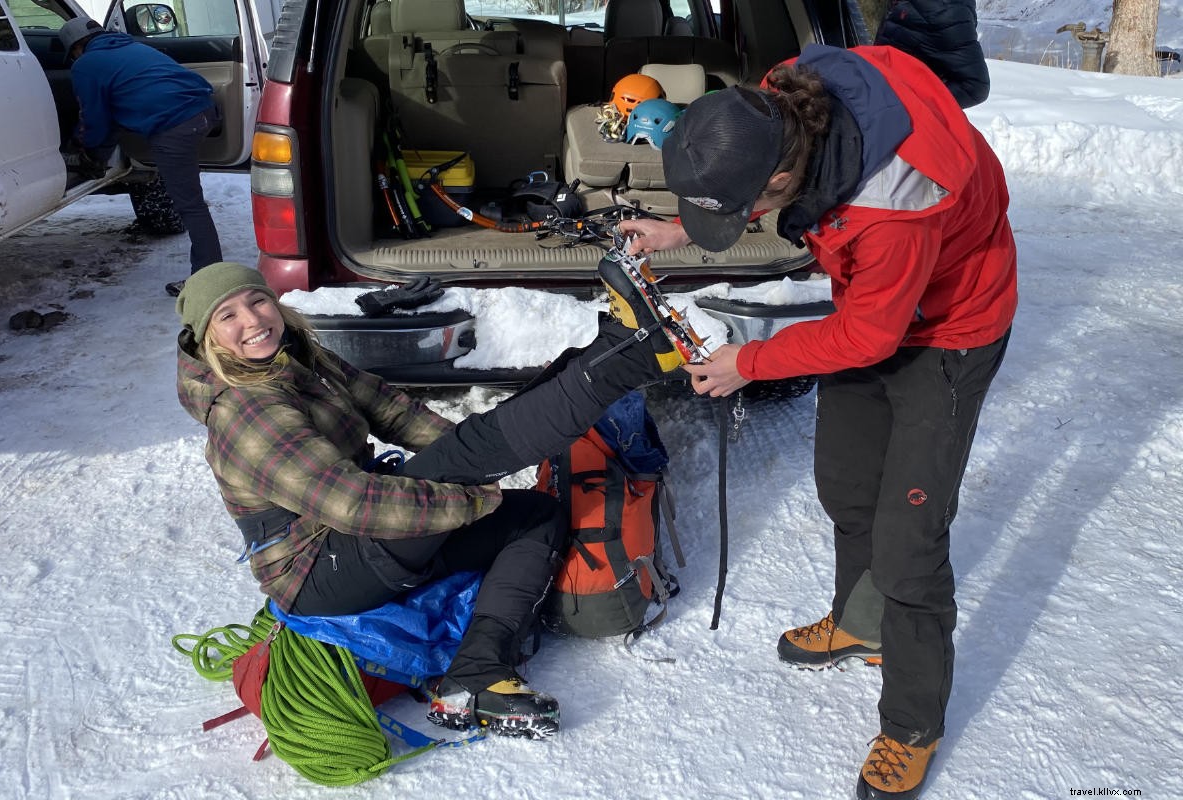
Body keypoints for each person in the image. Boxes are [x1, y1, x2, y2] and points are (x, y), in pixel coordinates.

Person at [619, 43, 1017, 800]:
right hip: (879, 299)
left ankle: (911, 725)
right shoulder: (783, 97)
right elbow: (859, 313)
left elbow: (869, 337)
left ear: (781, 176)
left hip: (951, 328)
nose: (755, 218)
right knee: (846, 482)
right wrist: (683, 225)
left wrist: (749, 362)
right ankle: (859, 623)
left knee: (909, 544)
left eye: (750, 207)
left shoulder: (894, 203)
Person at [174, 259, 686, 739]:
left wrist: (478, 453)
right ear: (208, 338)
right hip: (316, 567)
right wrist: (469, 498)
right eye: (228, 315)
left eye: (257, 301)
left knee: (535, 516)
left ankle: (475, 680)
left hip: (359, 532)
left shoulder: (299, 359)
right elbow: (354, 504)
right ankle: (631, 356)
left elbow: (393, 410)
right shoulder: (245, 411)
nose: (253, 320)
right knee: (467, 471)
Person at [59, 17, 223, 296]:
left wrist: (85, 152)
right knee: (191, 202)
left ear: (76, 47)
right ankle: (210, 273)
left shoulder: (86, 65)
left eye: (71, 53)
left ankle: (208, 282)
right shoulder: (134, 47)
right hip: (204, 109)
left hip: (174, 125)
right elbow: (113, 114)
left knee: (190, 205)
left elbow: (95, 119)